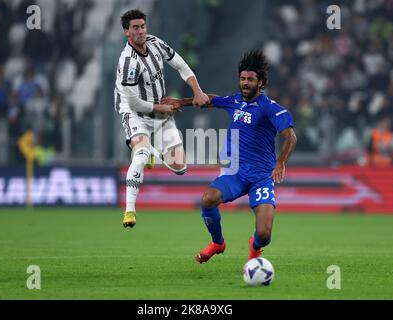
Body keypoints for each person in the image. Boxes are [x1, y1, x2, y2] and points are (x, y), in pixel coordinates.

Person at [162, 50, 297, 263]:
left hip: (261, 177)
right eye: (242, 78)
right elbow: (211, 100)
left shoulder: (271, 108)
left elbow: (291, 137)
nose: (245, 83)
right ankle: (217, 243)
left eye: (250, 79)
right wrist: (181, 101)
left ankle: (255, 247)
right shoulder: (234, 101)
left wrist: (280, 164)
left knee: (264, 234)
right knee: (208, 199)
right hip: (235, 173)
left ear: (260, 82)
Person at [115, 9, 209, 228]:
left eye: (142, 26)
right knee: (140, 153)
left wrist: (197, 91)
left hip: (159, 110)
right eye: (135, 28)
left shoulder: (155, 43)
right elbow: (135, 103)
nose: (140, 31)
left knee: (180, 167)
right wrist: (165, 107)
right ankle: (130, 211)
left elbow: (180, 64)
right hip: (134, 112)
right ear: (126, 32)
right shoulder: (128, 62)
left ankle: (152, 153)